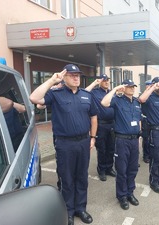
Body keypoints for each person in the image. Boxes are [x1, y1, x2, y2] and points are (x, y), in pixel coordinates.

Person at [29, 64, 97, 225]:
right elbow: (34, 98)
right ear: (64, 77)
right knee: (67, 179)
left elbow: (94, 117)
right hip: (65, 144)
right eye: (72, 75)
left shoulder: (87, 95)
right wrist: (52, 80)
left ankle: (80, 208)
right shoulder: (56, 94)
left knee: (82, 177)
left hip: (83, 142)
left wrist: (93, 137)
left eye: (78, 75)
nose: (76, 78)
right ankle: (69, 211)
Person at [101, 79, 141, 210]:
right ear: (124, 88)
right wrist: (115, 89)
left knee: (133, 169)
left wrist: (139, 138)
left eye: (133, 86)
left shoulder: (136, 102)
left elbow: (138, 120)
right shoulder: (117, 100)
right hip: (122, 140)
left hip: (134, 140)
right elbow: (104, 103)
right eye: (129, 86)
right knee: (122, 170)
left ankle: (130, 192)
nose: (132, 88)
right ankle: (122, 196)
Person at [139, 77, 159, 194]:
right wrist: (153, 87)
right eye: (158, 84)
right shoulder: (149, 98)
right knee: (155, 158)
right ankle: (154, 181)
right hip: (155, 131)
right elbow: (141, 99)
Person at [85, 74, 116, 182]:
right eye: (104, 80)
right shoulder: (95, 92)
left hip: (112, 124)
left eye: (108, 80)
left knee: (111, 148)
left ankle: (109, 168)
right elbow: (84, 92)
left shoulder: (112, 93)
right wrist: (94, 83)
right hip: (100, 125)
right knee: (102, 149)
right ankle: (102, 170)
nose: (107, 82)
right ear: (100, 82)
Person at [141, 80, 153, 163]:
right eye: (148, 85)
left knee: (152, 138)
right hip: (145, 120)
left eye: (150, 85)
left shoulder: (153, 95)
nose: (149, 86)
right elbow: (142, 99)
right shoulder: (143, 95)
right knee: (146, 139)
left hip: (152, 119)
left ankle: (150, 154)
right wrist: (147, 90)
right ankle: (146, 155)